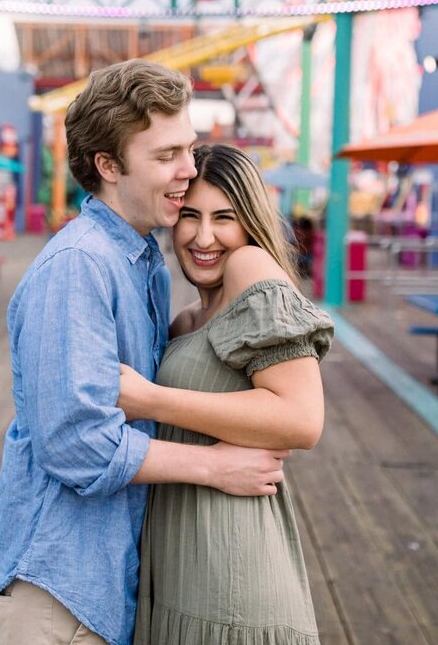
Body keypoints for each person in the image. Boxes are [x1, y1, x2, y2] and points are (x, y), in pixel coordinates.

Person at [0, 61, 291, 645]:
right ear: (108, 165)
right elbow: (79, 443)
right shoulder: (80, 265)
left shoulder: (141, 262)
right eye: (167, 155)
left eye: (189, 149)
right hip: (56, 588)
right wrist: (217, 467)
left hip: (102, 580)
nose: (189, 171)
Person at [118, 144, 333, 645]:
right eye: (190, 215)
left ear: (250, 223)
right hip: (179, 568)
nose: (204, 236)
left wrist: (148, 398)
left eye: (224, 217)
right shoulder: (189, 318)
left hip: (230, 572)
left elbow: (302, 419)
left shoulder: (250, 267)